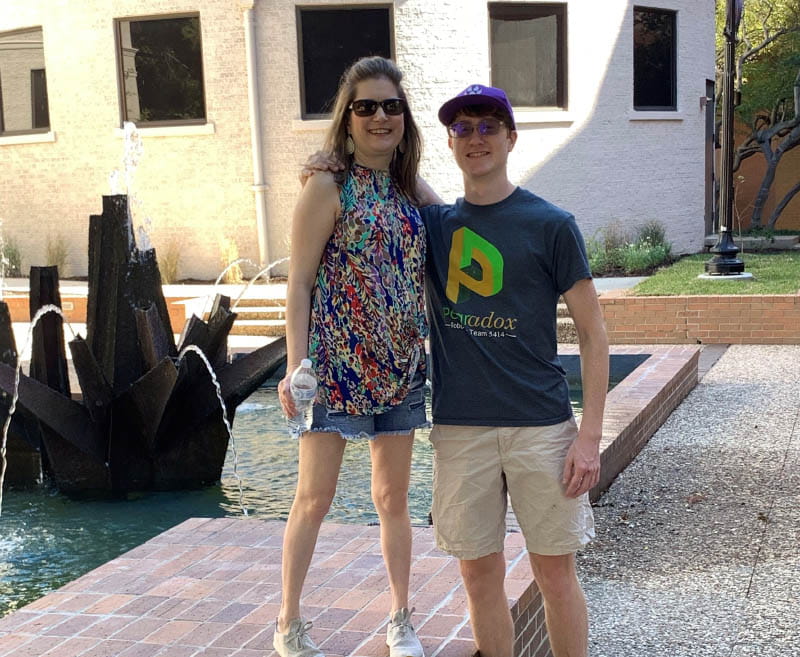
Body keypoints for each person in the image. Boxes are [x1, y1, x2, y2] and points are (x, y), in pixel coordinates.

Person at [421, 84, 609, 657]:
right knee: (479, 578)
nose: (475, 138)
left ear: (510, 138)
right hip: (461, 429)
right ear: (450, 143)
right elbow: (379, 171)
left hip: (540, 427)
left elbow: (595, 334)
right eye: (463, 128)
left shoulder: (550, 223)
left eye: (487, 127)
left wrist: (589, 436)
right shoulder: (433, 227)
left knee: (555, 576)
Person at [274, 56, 428, 657]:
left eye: (391, 105)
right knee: (314, 497)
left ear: (403, 117)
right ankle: (288, 622)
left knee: (393, 499)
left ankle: (400, 618)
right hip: (335, 369)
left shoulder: (409, 187)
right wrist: (296, 364)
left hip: (399, 369)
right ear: (348, 117)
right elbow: (299, 283)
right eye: (366, 106)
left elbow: (462, 221)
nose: (380, 116)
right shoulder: (326, 185)